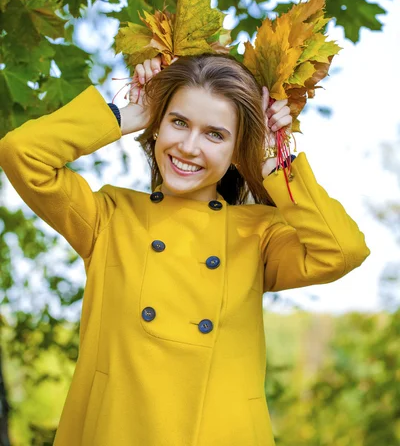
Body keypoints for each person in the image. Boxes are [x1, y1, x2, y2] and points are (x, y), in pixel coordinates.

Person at [0, 51, 370, 446]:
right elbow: (21, 153)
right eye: (178, 122)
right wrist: (128, 115)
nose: (189, 146)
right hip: (112, 432)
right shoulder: (108, 218)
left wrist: (272, 160)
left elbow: (342, 250)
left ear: (235, 151)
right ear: (159, 126)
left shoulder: (257, 235)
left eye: (215, 134)